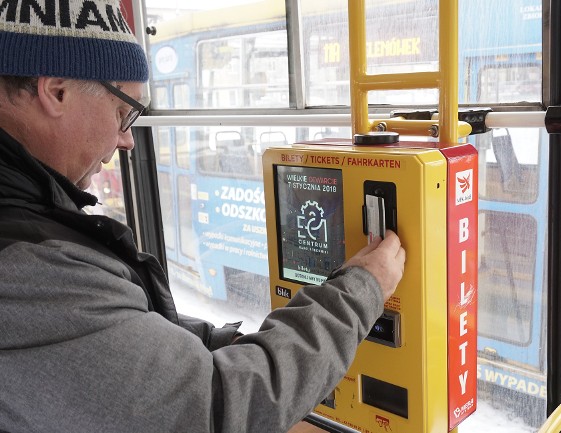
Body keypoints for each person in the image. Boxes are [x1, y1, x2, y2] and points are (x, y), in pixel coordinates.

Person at [0, 1, 406, 433]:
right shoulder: (29, 268)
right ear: (56, 90)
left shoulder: (30, 221)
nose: (127, 141)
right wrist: (362, 290)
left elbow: (108, 338)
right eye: (124, 113)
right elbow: (218, 406)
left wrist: (218, 342)